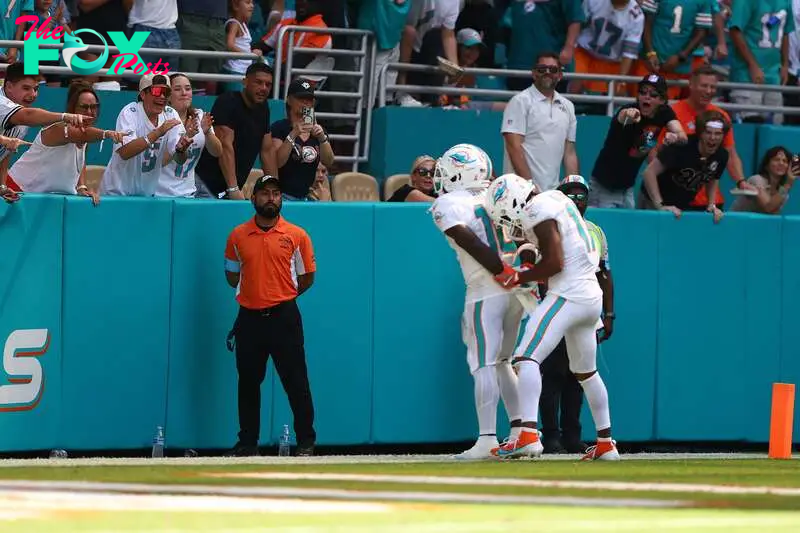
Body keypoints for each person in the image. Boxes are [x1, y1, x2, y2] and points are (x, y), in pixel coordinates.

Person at [484, 174, 619, 461]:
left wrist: (519, 276)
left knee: (525, 357)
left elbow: (555, 262)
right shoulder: (556, 201)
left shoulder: (538, 207)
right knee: (586, 372)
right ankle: (606, 443)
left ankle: (529, 435)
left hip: (569, 294)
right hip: (589, 297)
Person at [430, 143, 531, 460]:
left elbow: (465, 237)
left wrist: (499, 271)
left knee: (484, 362)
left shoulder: (449, 202)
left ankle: (488, 439)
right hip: (514, 287)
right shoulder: (495, 193)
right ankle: (522, 434)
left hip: (486, 285)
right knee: (503, 361)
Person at [224, 175, 317, 457]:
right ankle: (248, 442)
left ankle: (306, 441)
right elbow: (232, 276)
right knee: (248, 384)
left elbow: (308, 276)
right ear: (254, 198)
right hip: (249, 318)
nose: (271, 199)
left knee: (296, 382)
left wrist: (280, 295)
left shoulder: (297, 235)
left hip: (284, 317)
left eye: (276, 193)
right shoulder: (237, 235)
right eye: (265, 193)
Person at [537, 175, 616, 454]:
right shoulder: (549, 227)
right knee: (550, 374)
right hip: (557, 305)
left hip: (586, 308)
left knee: (579, 376)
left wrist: (609, 314)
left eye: (581, 196)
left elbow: (604, 274)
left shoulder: (595, 231)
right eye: (569, 195)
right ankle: (550, 435)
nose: (576, 201)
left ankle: (573, 434)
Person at [7, 82, 126, 205]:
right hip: (14, 189)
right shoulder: (59, 129)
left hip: (37, 198)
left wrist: (81, 186)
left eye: (94, 107)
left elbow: (80, 161)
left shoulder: (84, 136)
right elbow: (82, 135)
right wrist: (107, 133)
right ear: (72, 109)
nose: (90, 112)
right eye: (84, 107)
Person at [590, 74, 686, 208]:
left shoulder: (664, 113)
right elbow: (623, 116)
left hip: (627, 188)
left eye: (653, 95)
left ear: (662, 100)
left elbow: (683, 136)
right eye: (643, 92)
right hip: (604, 187)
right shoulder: (626, 111)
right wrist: (629, 115)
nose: (647, 97)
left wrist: (675, 137)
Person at [0, 62, 91, 192]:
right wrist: (65, 116)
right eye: (26, 88)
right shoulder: (5, 104)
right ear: (9, 86)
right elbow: (28, 115)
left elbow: (3, 157)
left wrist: (2, 186)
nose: (33, 94)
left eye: (35, 89)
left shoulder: (22, 113)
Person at [195, 62, 278, 200]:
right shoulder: (228, 101)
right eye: (258, 82)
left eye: (268, 84)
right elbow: (225, 146)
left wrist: (275, 189)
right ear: (245, 82)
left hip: (228, 190)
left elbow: (267, 150)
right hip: (205, 184)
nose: (263, 88)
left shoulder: (263, 108)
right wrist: (233, 188)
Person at [100, 73, 190, 197]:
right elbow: (125, 152)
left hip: (146, 195)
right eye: (157, 91)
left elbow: (180, 160)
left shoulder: (170, 114)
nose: (162, 96)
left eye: (166, 92)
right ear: (143, 94)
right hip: (117, 192)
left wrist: (181, 150)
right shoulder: (130, 112)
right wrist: (158, 132)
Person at [501, 52, 579, 193]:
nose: (547, 72)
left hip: (551, 193)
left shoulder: (568, 106)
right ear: (534, 73)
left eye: (553, 69)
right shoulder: (520, 101)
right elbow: (513, 146)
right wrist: (529, 186)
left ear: (560, 75)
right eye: (542, 69)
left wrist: (575, 189)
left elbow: (569, 153)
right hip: (518, 193)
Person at [640, 110, 729, 222]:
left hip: (681, 206)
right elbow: (649, 173)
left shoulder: (721, 155)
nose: (713, 138)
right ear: (700, 133)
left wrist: (712, 204)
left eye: (718, 133)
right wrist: (660, 206)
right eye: (708, 132)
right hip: (653, 201)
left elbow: (713, 179)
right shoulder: (681, 147)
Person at [156, 74, 223, 198]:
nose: (184, 93)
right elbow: (160, 162)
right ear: (168, 96)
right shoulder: (160, 120)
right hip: (160, 193)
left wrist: (207, 132)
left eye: (188, 88)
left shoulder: (200, 115)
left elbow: (217, 152)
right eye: (177, 89)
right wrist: (186, 136)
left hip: (188, 193)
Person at [269, 78, 334, 201]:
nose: (305, 102)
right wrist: (293, 134)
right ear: (289, 100)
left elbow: (329, 161)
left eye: (309, 99)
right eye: (300, 98)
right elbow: (277, 162)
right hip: (282, 196)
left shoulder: (318, 131)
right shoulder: (279, 128)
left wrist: (322, 138)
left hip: (306, 197)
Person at [730, 146, 798, 215]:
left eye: (785, 161)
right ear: (766, 165)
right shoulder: (756, 180)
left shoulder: (783, 190)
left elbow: (773, 214)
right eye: (776, 159)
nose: (781, 163)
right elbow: (769, 207)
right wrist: (788, 184)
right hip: (736, 223)